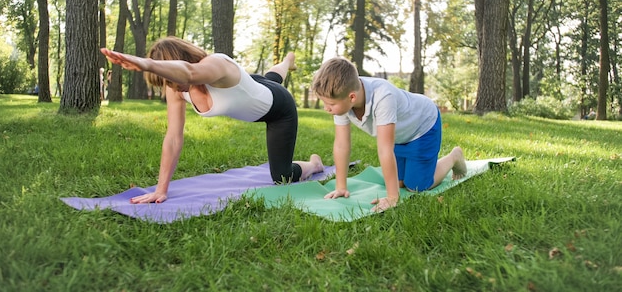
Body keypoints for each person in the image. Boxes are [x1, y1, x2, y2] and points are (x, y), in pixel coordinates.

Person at [100, 36, 324, 204]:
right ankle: (287, 62)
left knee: (282, 177)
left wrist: (145, 63)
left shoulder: (217, 63)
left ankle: (314, 164)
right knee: (269, 78)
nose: (172, 87)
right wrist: (161, 189)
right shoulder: (175, 88)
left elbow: (188, 73)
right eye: (166, 82)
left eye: (170, 79)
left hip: (277, 109)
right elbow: (173, 137)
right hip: (251, 89)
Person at [311, 58, 467, 212]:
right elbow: (341, 144)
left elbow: (385, 149)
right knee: (398, 183)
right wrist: (341, 186)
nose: (327, 108)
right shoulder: (341, 99)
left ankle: (454, 156)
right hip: (399, 135)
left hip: (422, 126)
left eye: (330, 104)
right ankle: (409, 170)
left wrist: (392, 197)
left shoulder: (382, 96)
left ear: (352, 97)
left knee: (416, 186)